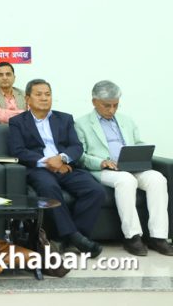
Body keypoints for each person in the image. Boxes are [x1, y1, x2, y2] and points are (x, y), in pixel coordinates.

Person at [8, 79, 105, 257]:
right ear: (28, 98)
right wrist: (48, 162)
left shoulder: (65, 119)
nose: (44, 98)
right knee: (48, 187)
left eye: (48, 94)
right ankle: (75, 238)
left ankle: (71, 239)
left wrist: (61, 159)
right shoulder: (17, 122)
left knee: (95, 190)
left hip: (65, 166)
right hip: (38, 169)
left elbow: (76, 146)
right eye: (39, 94)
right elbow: (18, 151)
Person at [74, 80, 172, 256]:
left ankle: (158, 237)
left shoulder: (127, 121)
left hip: (131, 165)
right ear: (94, 101)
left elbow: (137, 142)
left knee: (158, 179)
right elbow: (80, 155)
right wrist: (102, 162)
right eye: (107, 106)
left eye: (115, 105)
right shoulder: (81, 124)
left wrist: (143, 151)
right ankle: (132, 236)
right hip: (104, 170)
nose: (112, 110)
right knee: (126, 181)